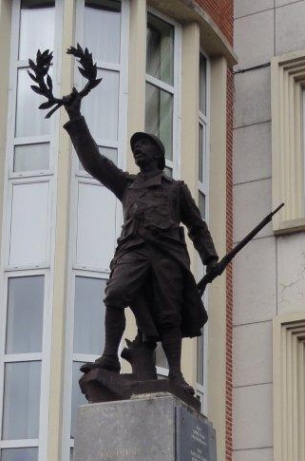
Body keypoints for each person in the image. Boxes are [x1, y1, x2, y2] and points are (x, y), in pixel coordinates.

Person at [61, 88, 221, 392]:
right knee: (115, 294)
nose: (137, 149)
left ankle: (175, 373)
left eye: (143, 144)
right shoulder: (127, 185)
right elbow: (94, 161)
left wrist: (210, 258)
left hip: (168, 256)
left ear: (157, 153)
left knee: (169, 315)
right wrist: (76, 117)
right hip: (133, 252)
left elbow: (197, 226)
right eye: (135, 146)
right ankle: (110, 357)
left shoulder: (175, 190)